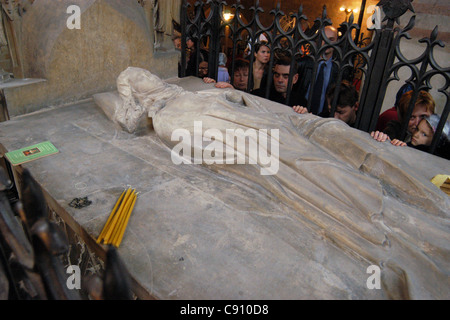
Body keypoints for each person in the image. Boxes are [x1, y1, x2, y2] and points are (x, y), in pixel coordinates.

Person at [295, 25, 340, 115]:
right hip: (298, 112)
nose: (326, 42)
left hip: (324, 118)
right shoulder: (303, 63)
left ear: (337, 42)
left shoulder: (339, 69)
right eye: (323, 38)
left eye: (331, 39)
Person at [371, 90, 435, 143]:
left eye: (423, 116)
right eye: (411, 117)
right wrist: (382, 137)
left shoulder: (436, 140)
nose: (417, 123)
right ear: (402, 118)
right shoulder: (395, 129)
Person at [293, 80, 359, 127]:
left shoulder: (363, 124)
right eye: (331, 110)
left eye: (341, 112)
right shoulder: (324, 116)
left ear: (355, 106)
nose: (335, 117)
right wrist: (304, 116)